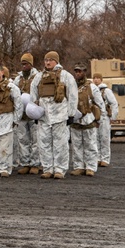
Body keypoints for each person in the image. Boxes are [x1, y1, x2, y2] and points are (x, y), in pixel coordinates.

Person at [30, 51, 78, 179]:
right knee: (44, 143)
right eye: (46, 60)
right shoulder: (39, 77)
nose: (48, 62)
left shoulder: (66, 76)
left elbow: (72, 95)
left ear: (56, 61)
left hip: (60, 114)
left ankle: (60, 170)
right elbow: (33, 94)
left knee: (60, 143)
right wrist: (35, 112)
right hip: (43, 115)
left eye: (51, 60)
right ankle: (47, 168)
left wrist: (71, 114)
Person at [69, 64, 104, 176]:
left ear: (84, 72)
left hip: (88, 119)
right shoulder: (71, 86)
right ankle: (79, 166)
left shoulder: (92, 87)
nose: (78, 74)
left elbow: (100, 104)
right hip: (75, 121)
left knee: (90, 145)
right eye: (76, 71)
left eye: (80, 71)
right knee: (76, 145)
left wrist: (98, 120)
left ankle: (90, 167)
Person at [13, 53, 40, 175]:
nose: (24, 66)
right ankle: (25, 163)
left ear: (31, 64)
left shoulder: (37, 76)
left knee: (36, 140)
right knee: (23, 140)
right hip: (22, 114)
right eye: (22, 64)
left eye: (26, 64)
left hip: (34, 113)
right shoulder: (18, 79)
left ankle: (35, 163)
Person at [93, 73, 119, 167]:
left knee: (104, 138)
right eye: (94, 78)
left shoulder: (106, 91)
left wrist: (113, 117)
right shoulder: (92, 90)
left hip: (104, 117)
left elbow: (114, 103)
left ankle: (105, 159)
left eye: (97, 78)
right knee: (95, 138)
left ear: (101, 79)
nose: (96, 80)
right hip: (95, 117)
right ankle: (97, 158)